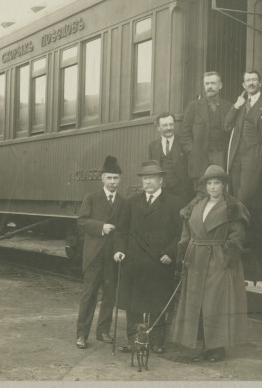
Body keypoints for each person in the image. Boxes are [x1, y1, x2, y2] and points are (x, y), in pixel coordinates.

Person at [169, 165, 250, 363]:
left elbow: (237, 235)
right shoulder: (196, 204)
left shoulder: (233, 207)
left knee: (216, 303)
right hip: (195, 259)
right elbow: (186, 229)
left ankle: (216, 348)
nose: (213, 187)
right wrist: (185, 249)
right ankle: (197, 345)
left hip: (218, 259)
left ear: (223, 185)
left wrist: (228, 256)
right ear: (205, 186)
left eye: (217, 183)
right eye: (209, 183)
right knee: (195, 303)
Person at [113, 161, 184, 354]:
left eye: (152, 178)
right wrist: (119, 250)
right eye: (145, 178)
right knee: (133, 305)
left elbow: (182, 234)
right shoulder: (131, 203)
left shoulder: (174, 203)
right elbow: (121, 231)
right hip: (134, 264)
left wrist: (171, 252)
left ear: (161, 180)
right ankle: (133, 340)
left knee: (158, 303)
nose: (148, 182)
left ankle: (156, 341)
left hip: (160, 264)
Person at [74, 155, 124, 348]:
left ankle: (103, 331)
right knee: (89, 295)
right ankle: (82, 334)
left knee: (110, 295)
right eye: (109, 178)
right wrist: (102, 226)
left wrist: (119, 250)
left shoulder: (122, 202)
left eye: (116, 178)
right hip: (94, 255)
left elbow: (123, 231)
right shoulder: (92, 198)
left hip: (112, 257)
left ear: (120, 180)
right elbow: (82, 221)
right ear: (102, 178)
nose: (112, 182)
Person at [223, 70, 262, 207]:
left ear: (260, 83)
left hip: (255, 155)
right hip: (236, 155)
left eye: (254, 80)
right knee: (235, 193)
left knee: (245, 195)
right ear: (243, 84)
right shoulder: (240, 104)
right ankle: (239, 227)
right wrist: (236, 106)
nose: (251, 83)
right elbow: (226, 126)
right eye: (248, 80)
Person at [179, 71, 228, 192]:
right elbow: (184, 133)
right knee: (202, 194)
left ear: (220, 85)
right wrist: (193, 151)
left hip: (222, 157)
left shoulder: (229, 107)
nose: (209, 87)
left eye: (213, 83)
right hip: (200, 159)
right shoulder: (193, 107)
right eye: (207, 84)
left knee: (222, 191)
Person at [148, 112, 190, 202]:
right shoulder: (152, 146)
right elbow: (151, 170)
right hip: (161, 190)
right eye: (165, 125)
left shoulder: (183, 142)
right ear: (158, 128)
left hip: (181, 190)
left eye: (171, 124)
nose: (169, 128)